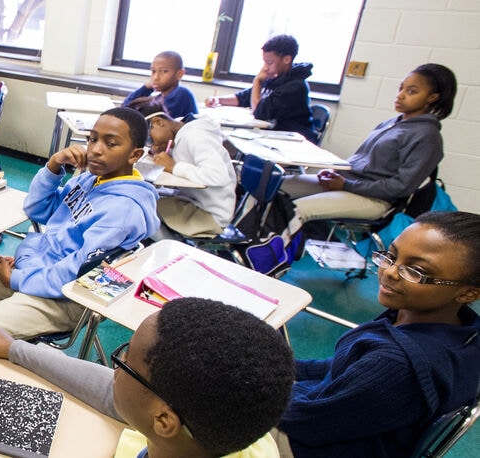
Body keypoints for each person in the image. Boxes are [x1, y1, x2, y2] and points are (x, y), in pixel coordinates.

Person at [0, 297, 295, 458]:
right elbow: (108, 389)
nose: (114, 369)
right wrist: (14, 349)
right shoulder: (220, 428)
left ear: (163, 420)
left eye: (126, 363)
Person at [0, 107, 159, 339]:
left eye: (111, 143)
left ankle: (0, 350)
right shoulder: (92, 179)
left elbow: (77, 271)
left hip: (67, 296)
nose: (96, 150)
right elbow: (37, 209)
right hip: (37, 269)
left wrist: (15, 279)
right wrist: (54, 165)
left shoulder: (123, 211)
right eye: (93, 139)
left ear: (134, 155)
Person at [276, 211, 480, 457]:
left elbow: (307, 421)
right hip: (347, 423)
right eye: (391, 256)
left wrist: (253, 385)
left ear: (468, 293)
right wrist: (279, 368)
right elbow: (345, 367)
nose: (390, 272)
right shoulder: (453, 328)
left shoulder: (396, 364)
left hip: (317, 445)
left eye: (416, 271)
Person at [280, 63, 454, 225]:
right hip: (348, 184)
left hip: (375, 200)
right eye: (401, 88)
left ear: (432, 97)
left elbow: (401, 187)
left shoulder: (427, 137)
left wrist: (345, 185)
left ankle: (271, 252)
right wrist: (336, 172)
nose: (400, 95)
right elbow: (361, 161)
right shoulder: (392, 123)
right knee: (277, 186)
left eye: (412, 91)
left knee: (296, 210)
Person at [137, 103, 236, 238]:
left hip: (210, 214)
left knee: (139, 208)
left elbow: (218, 176)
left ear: (158, 122)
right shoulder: (180, 130)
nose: (152, 145)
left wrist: (174, 167)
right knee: (144, 196)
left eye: (150, 139)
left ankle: (172, 249)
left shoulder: (196, 136)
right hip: (193, 201)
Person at [205, 35, 316, 143]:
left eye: (270, 62)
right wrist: (218, 100)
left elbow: (259, 112)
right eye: (264, 62)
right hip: (271, 136)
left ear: (287, 59)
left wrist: (257, 81)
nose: (265, 67)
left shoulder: (295, 86)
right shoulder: (275, 78)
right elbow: (244, 97)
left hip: (290, 141)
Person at [122, 51, 197, 119]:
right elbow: (125, 109)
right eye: (153, 71)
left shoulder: (182, 93)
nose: (156, 77)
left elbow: (142, 117)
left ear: (179, 74)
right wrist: (146, 87)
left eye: (164, 71)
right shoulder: (159, 97)